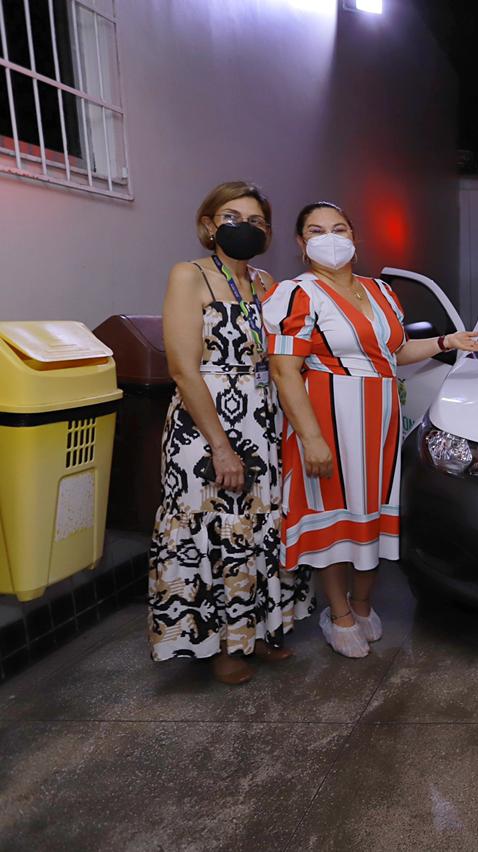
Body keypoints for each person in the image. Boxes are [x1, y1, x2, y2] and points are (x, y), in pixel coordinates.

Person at [264, 202, 478, 658]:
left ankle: (362, 605)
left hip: (380, 420)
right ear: (300, 243)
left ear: (355, 236)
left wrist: (447, 341)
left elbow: (396, 353)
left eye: (339, 228)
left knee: (372, 509)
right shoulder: (296, 293)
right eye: (316, 230)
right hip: (326, 414)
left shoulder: (381, 291)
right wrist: (310, 437)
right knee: (333, 512)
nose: (330, 237)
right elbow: (286, 370)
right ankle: (338, 612)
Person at [148, 181, 312, 685]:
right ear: (210, 223)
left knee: (261, 525)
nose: (246, 226)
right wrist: (220, 446)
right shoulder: (189, 275)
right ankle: (217, 645)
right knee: (213, 530)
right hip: (206, 425)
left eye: (258, 221)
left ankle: (257, 633)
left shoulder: (268, 284)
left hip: (263, 419)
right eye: (233, 216)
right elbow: (182, 368)